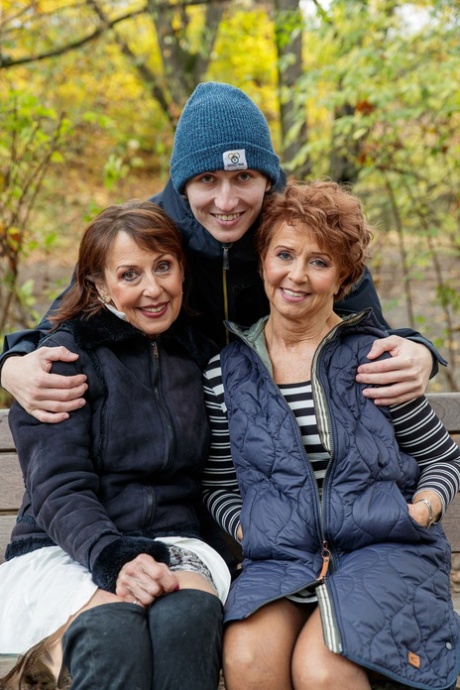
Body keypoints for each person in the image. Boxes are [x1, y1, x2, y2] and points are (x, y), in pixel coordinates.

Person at [0, 83, 444, 424]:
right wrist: (11, 367)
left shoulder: (303, 233)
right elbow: (61, 323)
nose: (227, 202)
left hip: (284, 440)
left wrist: (420, 353)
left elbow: (369, 331)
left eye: (243, 177)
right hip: (185, 443)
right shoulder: (147, 236)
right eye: (208, 180)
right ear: (184, 183)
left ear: (267, 179)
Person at [201, 181, 460, 690]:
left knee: (322, 671)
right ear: (263, 261)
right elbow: (219, 484)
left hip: (384, 550)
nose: (296, 275)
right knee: (248, 659)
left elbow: (443, 460)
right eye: (284, 255)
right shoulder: (225, 373)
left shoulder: (376, 360)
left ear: (342, 277)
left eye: (318, 262)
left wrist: (421, 510)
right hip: (281, 558)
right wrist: (249, 531)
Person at [0, 200, 230, 690]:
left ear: (181, 271)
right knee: (114, 634)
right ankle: (53, 653)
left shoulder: (202, 357)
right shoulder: (61, 361)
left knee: (187, 618)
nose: (153, 289)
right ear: (101, 285)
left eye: (163, 267)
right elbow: (58, 487)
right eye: (130, 274)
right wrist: (114, 557)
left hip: (174, 541)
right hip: (65, 547)